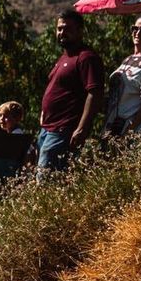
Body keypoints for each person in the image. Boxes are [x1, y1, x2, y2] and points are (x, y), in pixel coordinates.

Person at [37, 9, 104, 172]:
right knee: (49, 178)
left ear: (80, 31)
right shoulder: (65, 57)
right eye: (59, 28)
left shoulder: (86, 57)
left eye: (67, 28)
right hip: (48, 128)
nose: (62, 32)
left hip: (64, 129)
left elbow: (94, 94)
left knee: (46, 181)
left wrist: (81, 128)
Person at [101, 14, 141, 136]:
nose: (137, 33)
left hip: (131, 132)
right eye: (134, 28)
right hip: (112, 126)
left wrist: (128, 132)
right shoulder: (128, 60)